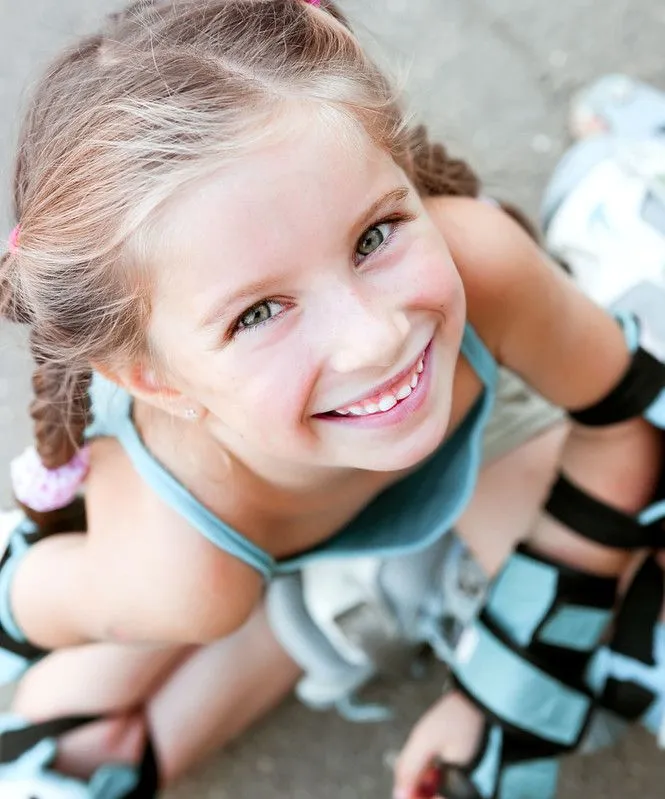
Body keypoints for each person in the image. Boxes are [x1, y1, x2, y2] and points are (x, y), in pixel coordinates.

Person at [0, 2, 663, 797]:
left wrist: (496, 696)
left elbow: (618, 436)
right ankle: (353, 594)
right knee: (61, 760)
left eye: (374, 235)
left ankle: (617, 201)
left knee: (628, 650)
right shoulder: (174, 569)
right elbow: (25, 603)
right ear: (155, 379)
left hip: (477, 428)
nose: (374, 339)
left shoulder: (477, 260)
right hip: (223, 544)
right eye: (256, 313)